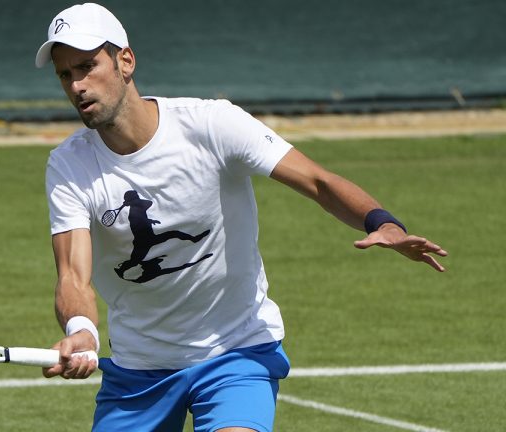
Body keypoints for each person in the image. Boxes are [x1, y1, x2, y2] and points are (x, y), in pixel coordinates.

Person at [34, 3, 447, 431]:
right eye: (65, 74)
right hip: (139, 369)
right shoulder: (69, 166)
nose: (78, 85)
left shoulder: (212, 124)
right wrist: (81, 328)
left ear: (125, 60)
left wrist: (382, 222)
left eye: (87, 66)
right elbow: (72, 275)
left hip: (236, 352)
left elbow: (317, 181)